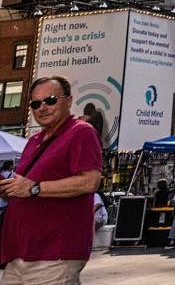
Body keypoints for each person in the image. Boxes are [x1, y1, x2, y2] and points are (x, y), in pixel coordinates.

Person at [0, 75, 102, 283]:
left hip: (54, 253)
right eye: (36, 103)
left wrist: (33, 188)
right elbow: (25, 188)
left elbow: (90, 181)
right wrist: (10, 189)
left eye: (51, 100)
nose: (42, 107)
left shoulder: (81, 132)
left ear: (69, 101)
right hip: (19, 253)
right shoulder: (35, 140)